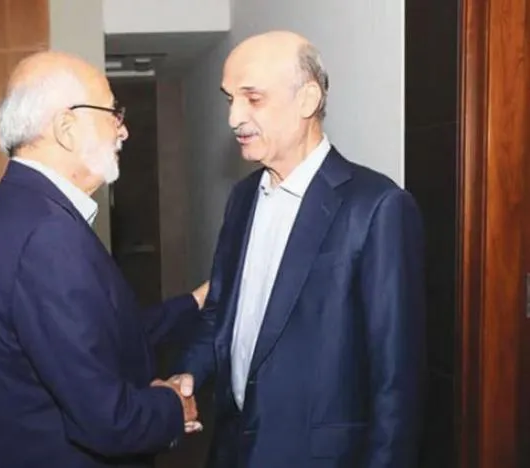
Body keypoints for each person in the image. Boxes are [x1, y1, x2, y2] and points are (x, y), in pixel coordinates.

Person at [176, 31, 426, 467]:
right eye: (230, 99)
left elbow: (396, 381)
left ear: (307, 100)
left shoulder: (376, 207)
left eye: (253, 99)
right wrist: (188, 374)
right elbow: (219, 312)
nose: (233, 117)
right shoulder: (241, 198)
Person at [0, 51, 209, 468]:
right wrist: (172, 405)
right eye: (113, 113)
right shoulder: (47, 236)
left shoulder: (21, 206)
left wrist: (195, 302)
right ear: (67, 129)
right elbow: (108, 421)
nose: (123, 130)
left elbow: (99, 335)